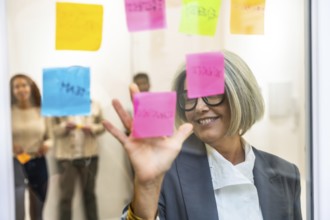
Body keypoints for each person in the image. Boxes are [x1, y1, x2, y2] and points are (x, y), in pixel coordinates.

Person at [103, 50, 302, 220]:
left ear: (239, 95)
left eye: (212, 93)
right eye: (190, 98)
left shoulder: (285, 175)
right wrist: (147, 187)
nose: (199, 107)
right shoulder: (168, 174)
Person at [51, 100, 105, 220]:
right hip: (66, 158)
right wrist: (65, 127)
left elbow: (103, 126)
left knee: (90, 194)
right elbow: (53, 130)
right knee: (66, 196)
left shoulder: (95, 105)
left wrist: (92, 128)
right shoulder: (58, 105)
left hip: (90, 156)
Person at [10, 74, 52, 220]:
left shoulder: (41, 111)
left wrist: (47, 144)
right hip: (16, 163)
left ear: (30, 87)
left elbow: (50, 137)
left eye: (24, 85)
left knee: (38, 207)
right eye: (17, 86)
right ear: (12, 90)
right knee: (17, 206)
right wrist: (10, 146)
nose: (21, 89)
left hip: (38, 161)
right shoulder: (7, 113)